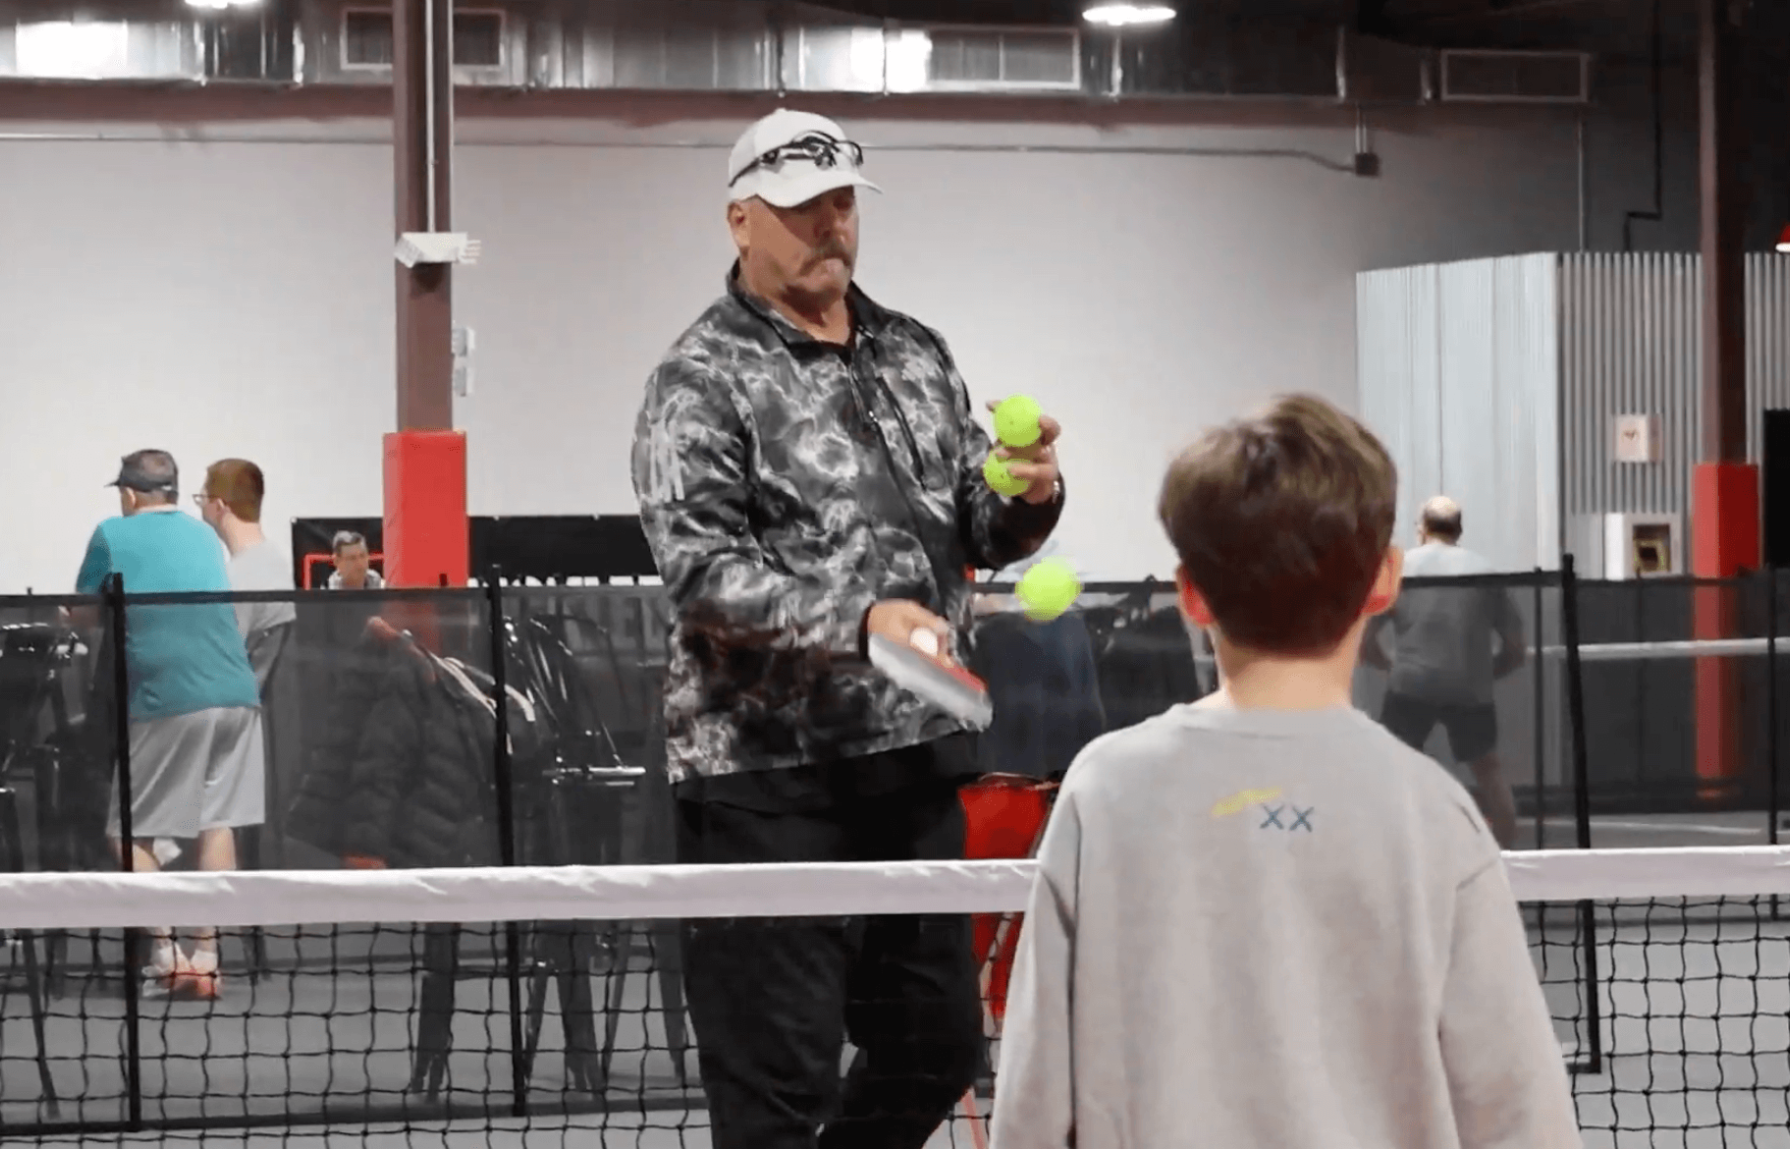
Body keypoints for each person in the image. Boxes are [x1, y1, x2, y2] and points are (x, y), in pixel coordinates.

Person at [631, 107, 1065, 1149]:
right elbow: (700, 573)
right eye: (798, 208)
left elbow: (980, 523)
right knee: (777, 1099)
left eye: (839, 203)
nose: (827, 225)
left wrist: (1028, 494)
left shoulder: (915, 352)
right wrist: (860, 621)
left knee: (936, 1049)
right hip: (761, 783)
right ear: (740, 220)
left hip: (913, 760)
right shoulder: (696, 379)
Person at [991, 396, 1579, 1149]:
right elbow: (1519, 1110)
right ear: (1385, 580)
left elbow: (1035, 1092)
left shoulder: (1103, 787)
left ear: (1191, 593)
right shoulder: (1436, 808)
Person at [74, 450, 265, 1000]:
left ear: (131, 495)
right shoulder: (207, 537)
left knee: (124, 830)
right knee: (216, 822)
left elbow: (87, 616)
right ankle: (207, 959)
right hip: (237, 693)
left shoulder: (112, 533)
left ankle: (166, 958)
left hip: (169, 697)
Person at [1361, 496, 1527, 848]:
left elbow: (1363, 642)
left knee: (1394, 771)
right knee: (1489, 771)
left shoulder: (1398, 570)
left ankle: (1393, 854)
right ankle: (1509, 861)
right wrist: (1484, 673)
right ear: (1460, 529)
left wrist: (1393, 667)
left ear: (1421, 529)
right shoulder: (1483, 570)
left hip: (1410, 686)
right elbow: (1515, 649)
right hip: (1470, 689)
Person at [197, 458, 297, 687]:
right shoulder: (274, 561)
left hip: (233, 706)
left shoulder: (238, 579)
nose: (200, 507)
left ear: (219, 506)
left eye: (201, 499)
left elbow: (215, 663)